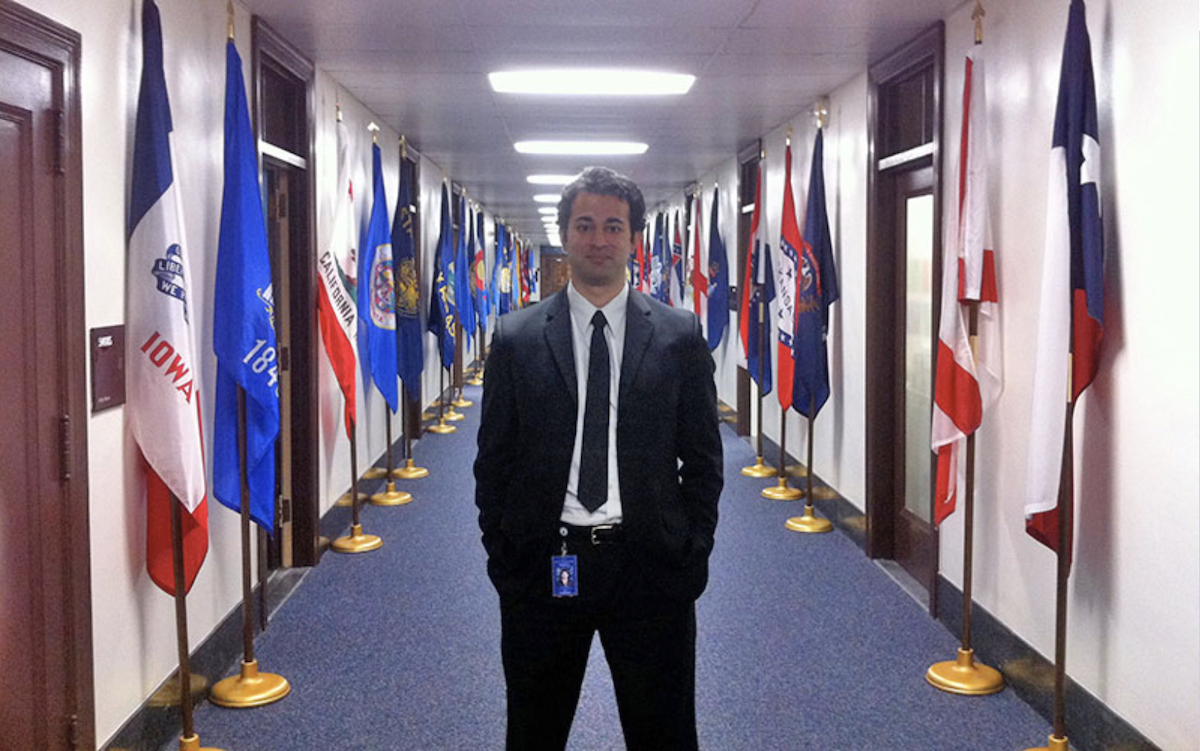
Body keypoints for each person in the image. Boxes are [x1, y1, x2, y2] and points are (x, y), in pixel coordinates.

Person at [474, 166, 723, 750]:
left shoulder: (679, 336)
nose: (599, 239)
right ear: (565, 235)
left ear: (634, 238)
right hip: (544, 567)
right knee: (534, 731)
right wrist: (504, 552)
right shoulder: (517, 337)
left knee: (663, 734)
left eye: (614, 226)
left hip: (650, 569)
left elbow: (704, 461)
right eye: (585, 225)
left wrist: (693, 550)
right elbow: (494, 462)